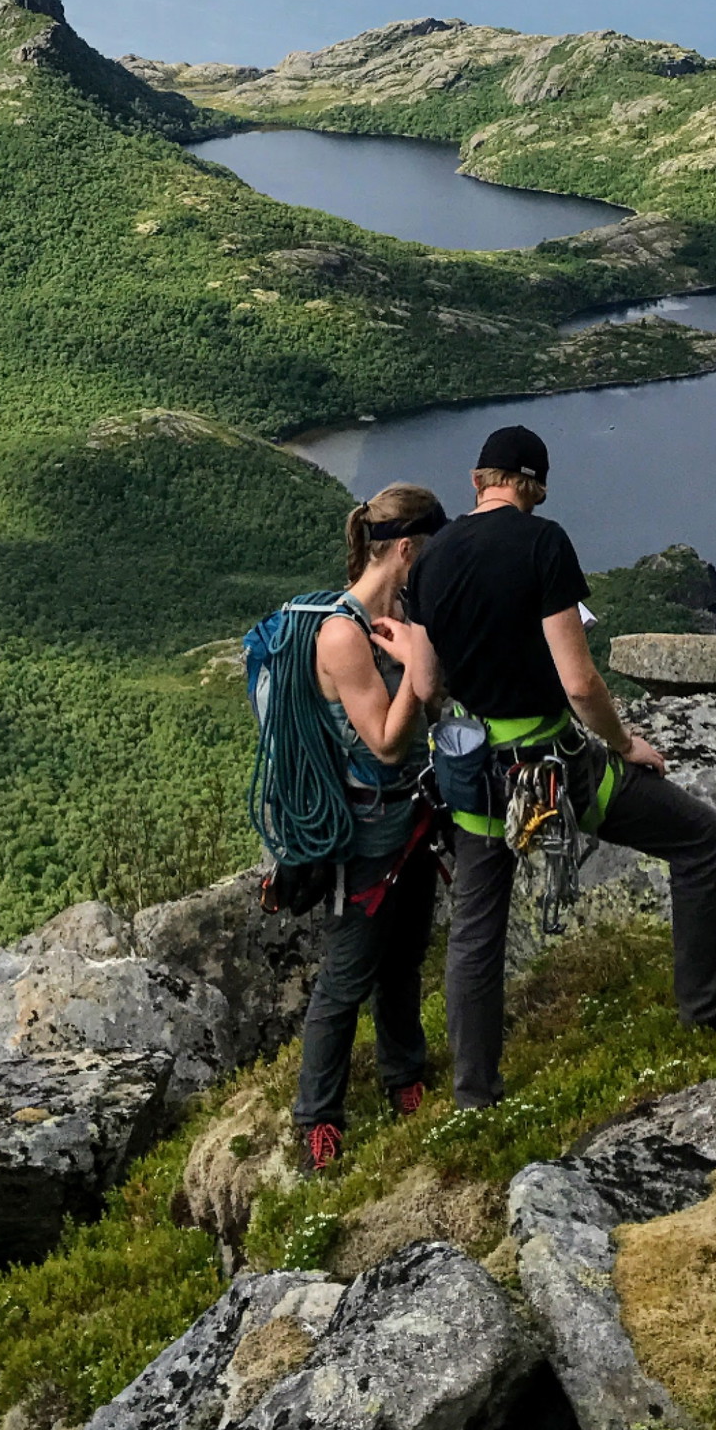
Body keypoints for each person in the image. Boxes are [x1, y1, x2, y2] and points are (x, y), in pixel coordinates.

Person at [405, 424, 716, 1109]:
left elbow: (429, 682)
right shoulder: (543, 542)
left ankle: (475, 1097)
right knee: (699, 841)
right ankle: (706, 1014)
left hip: (472, 773)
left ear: (478, 480)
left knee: (475, 932)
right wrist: (624, 745)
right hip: (554, 765)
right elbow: (580, 683)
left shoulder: (431, 561)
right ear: (537, 486)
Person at [292, 482, 454, 1169]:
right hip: (367, 826)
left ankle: (404, 1075)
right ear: (408, 550)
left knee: (406, 957)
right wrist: (420, 664)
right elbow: (385, 742)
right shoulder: (341, 634)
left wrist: (425, 655)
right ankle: (317, 1119)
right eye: (434, 554)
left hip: (416, 813)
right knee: (347, 975)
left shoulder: (404, 617)